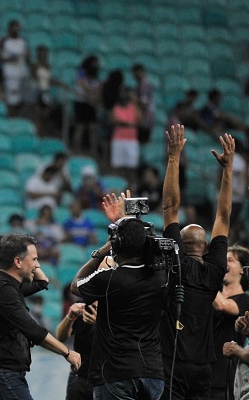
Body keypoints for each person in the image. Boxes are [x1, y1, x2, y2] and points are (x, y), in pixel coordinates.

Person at [160, 124, 233, 400]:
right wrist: (228, 169)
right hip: (204, 367)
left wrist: (173, 157)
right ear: (206, 247)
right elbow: (223, 216)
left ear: (179, 243)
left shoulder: (176, 263)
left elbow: (170, 207)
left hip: (173, 363)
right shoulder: (215, 270)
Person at [71, 199, 167, 400]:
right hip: (153, 373)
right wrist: (130, 223)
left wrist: (102, 251)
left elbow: (75, 284)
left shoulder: (108, 279)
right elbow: (139, 241)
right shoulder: (160, 277)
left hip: (116, 374)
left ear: (117, 245)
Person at [0, 234, 81, 399]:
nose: (37, 265)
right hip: (2, 376)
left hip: (3, 376)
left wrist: (13, 248)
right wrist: (67, 353)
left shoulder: (9, 286)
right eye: (34, 259)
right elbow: (34, 331)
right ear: (17, 262)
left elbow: (42, 282)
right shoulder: (2, 290)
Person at [212, 246, 249, 399]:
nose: (224, 263)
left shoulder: (245, 300)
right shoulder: (211, 299)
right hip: (205, 372)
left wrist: (206, 277)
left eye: (230, 260)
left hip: (226, 376)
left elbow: (223, 305)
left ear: (242, 270)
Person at [56, 301, 97, 400]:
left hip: (106, 380)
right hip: (79, 376)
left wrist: (99, 324)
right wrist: (69, 317)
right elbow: (61, 337)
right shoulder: (82, 306)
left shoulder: (114, 309)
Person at [0, 20, 30, 116]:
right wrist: (10, 59)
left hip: (22, 73)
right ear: (9, 29)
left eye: (17, 28)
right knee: (11, 99)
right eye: (13, 28)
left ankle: (19, 118)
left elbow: (28, 56)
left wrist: (26, 56)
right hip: (10, 74)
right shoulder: (3, 41)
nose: (15, 30)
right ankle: (11, 118)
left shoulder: (23, 42)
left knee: (22, 100)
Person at [132, 64, 156, 144]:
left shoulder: (144, 85)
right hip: (146, 118)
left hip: (145, 118)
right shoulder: (145, 84)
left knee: (142, 142)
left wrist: (133, 99)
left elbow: (144, 103)